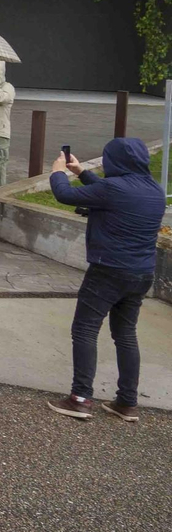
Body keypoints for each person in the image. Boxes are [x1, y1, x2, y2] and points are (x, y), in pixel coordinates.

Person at [45, 139, 166, 421]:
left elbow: (64, 195)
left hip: (108, 271)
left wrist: (58, 172)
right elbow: (107, 193)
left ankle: (80, 398)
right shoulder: (155, 191)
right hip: (142, 273)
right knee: (125, 334)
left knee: (85, 330)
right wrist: (81, 172)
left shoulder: (112, 189)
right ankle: (127, 403)